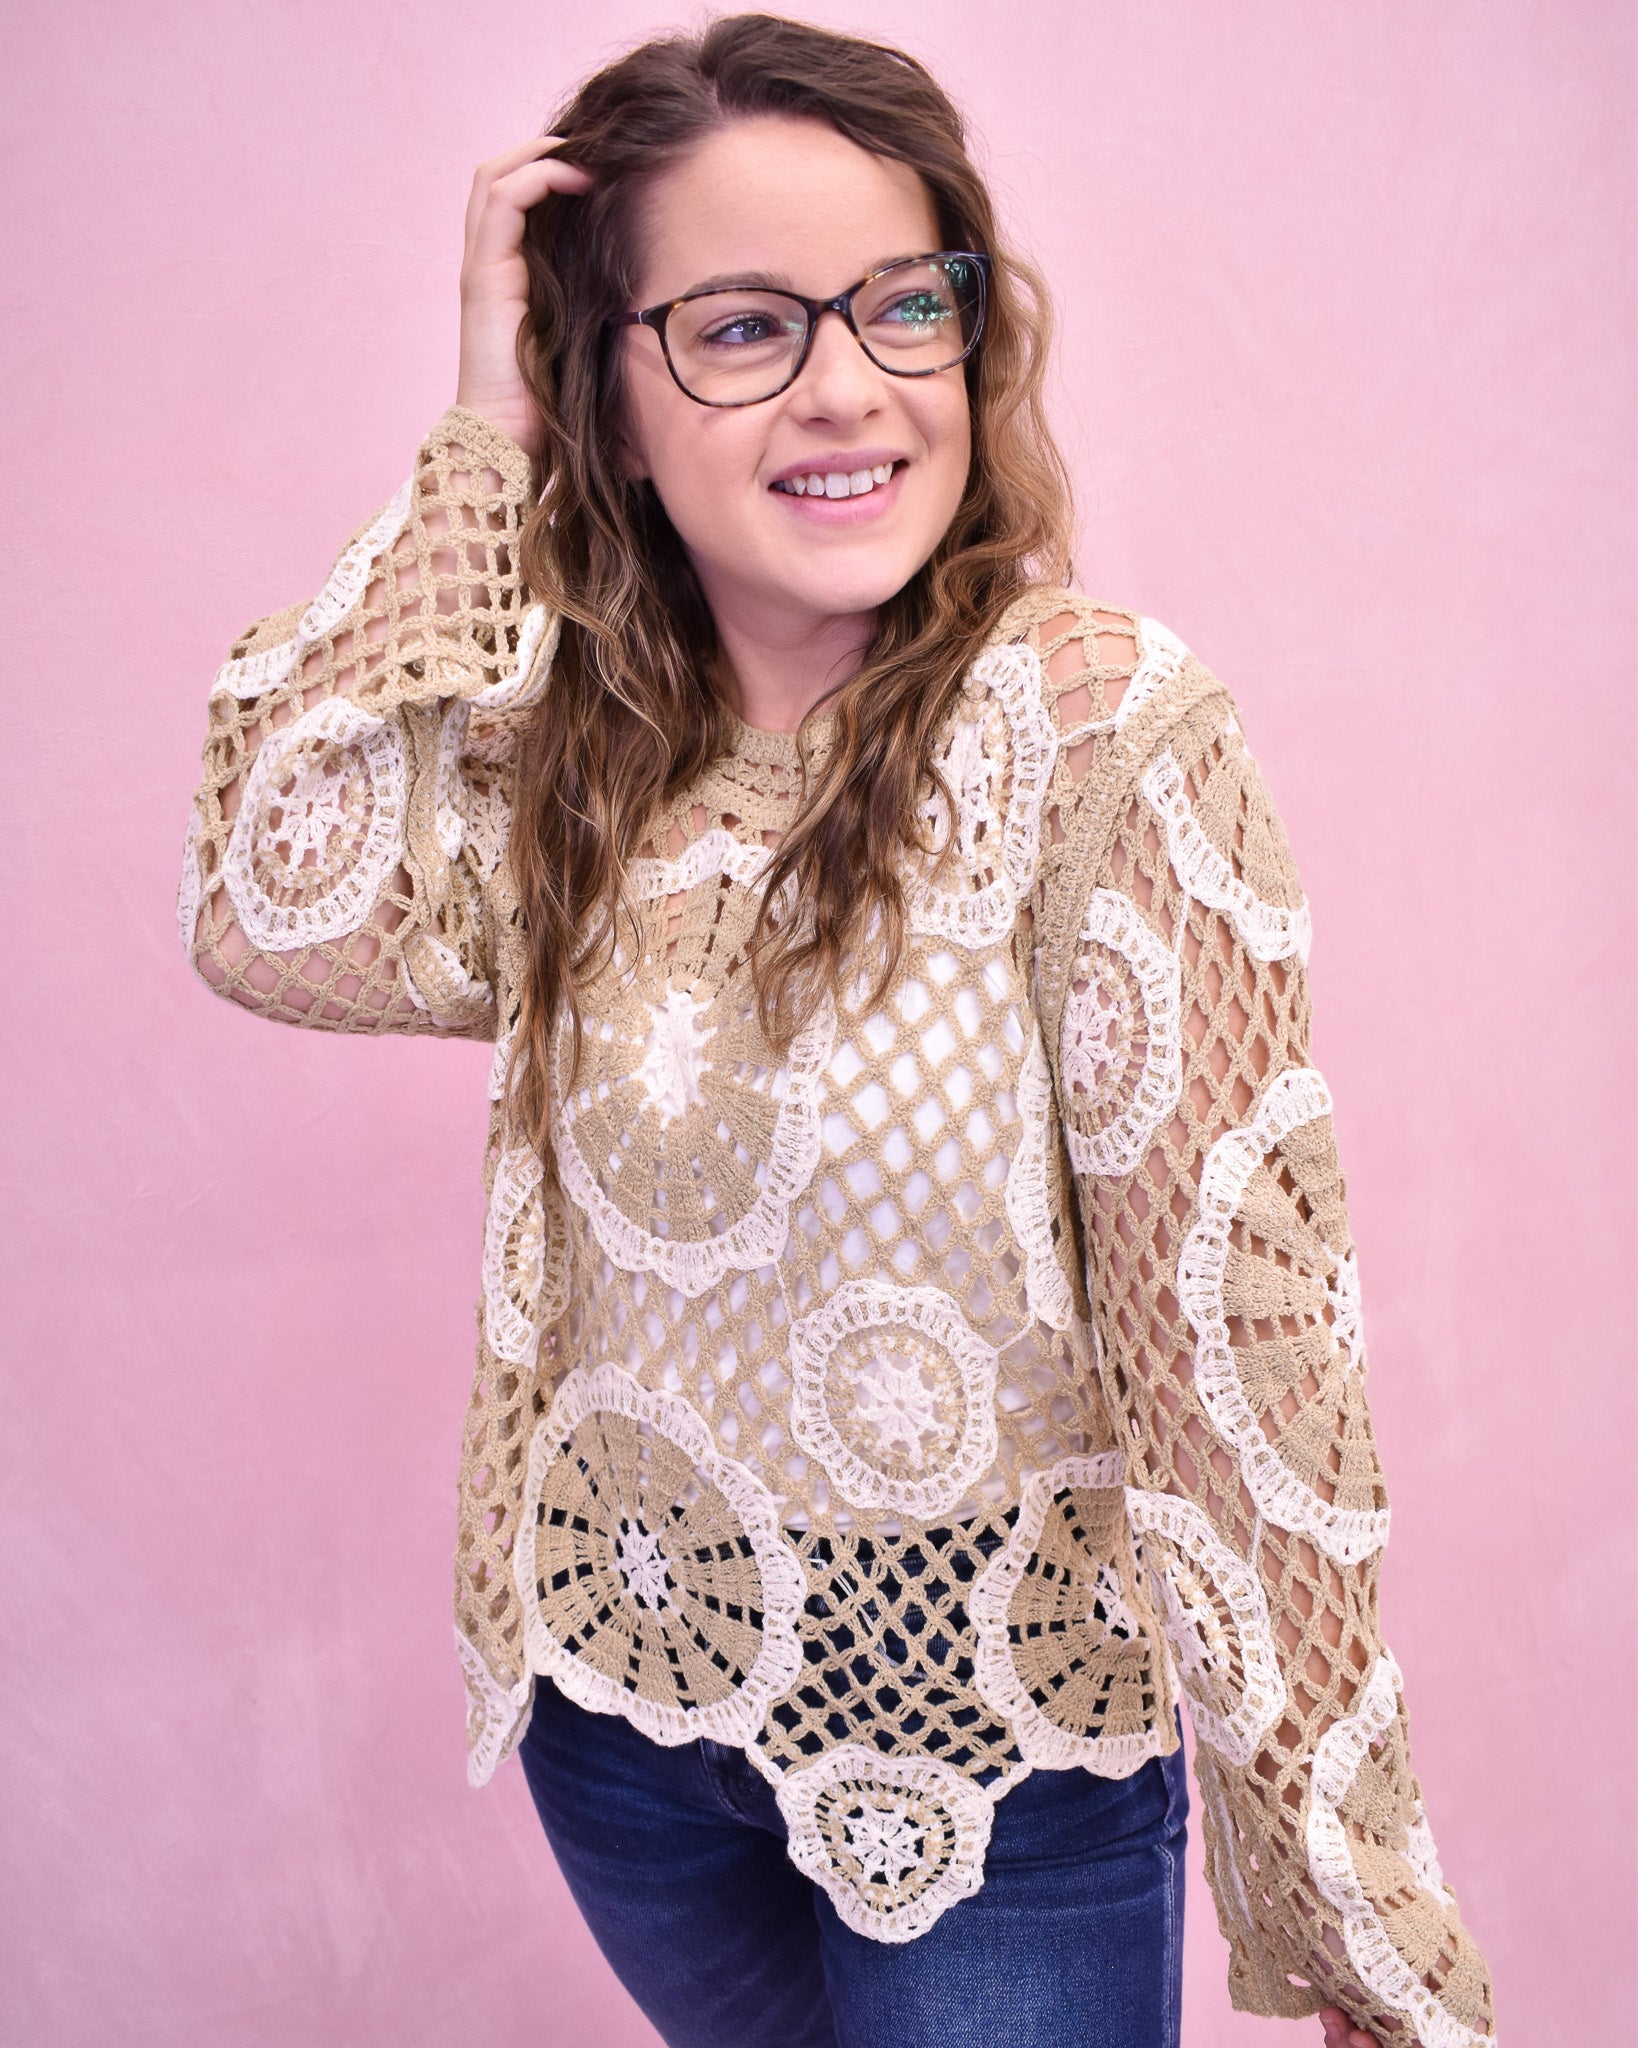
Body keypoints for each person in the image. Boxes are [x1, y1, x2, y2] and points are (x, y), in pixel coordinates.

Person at [176, 16, 1496, 2048]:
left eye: (903, 302)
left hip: (994, 1759)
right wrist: (474, 445)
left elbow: (1235, 1352)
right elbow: (283, 898)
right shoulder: (581, 757)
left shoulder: (1100, 737)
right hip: (627, 1720)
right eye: (739, 328)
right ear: (608, 401)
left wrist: (1356, 1915)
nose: (851, 384)